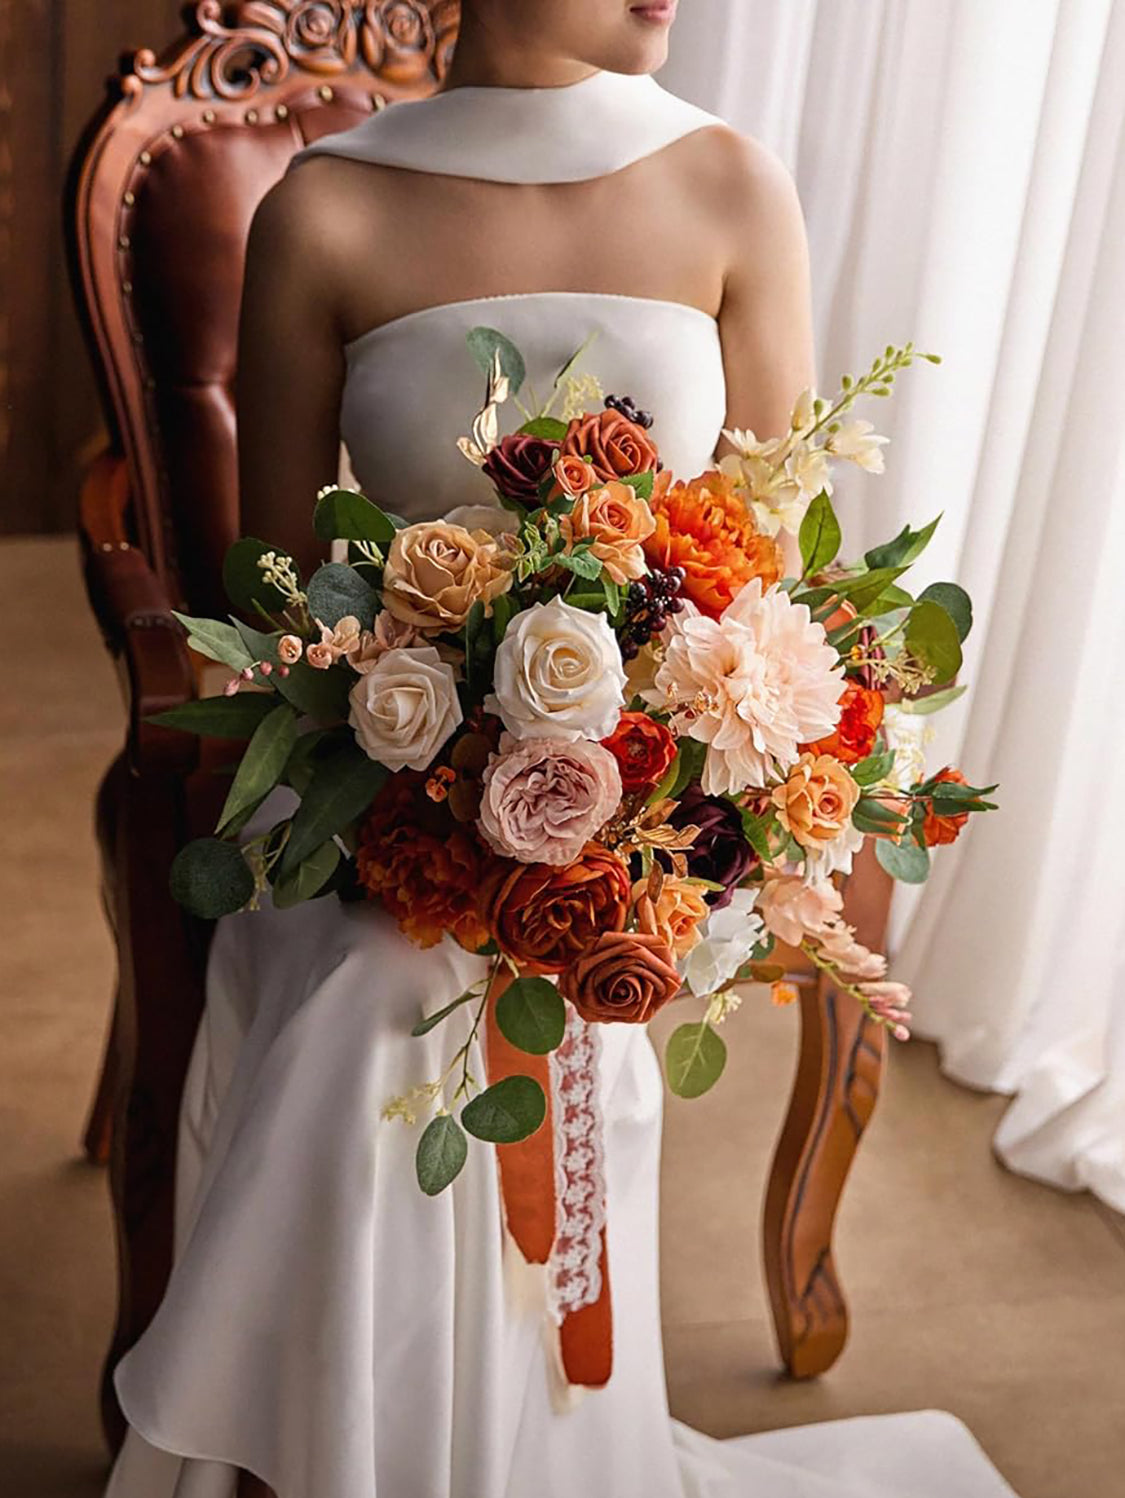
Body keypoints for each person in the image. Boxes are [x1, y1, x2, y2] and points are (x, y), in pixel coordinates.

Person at [103, 3, 1019, 1495]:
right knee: (382, 991)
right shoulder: (324, 206)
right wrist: (427, 762)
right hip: (374, 800)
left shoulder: (729, 182)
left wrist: (649, 805)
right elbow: (273, 598)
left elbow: (761, 581)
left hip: (651, 818)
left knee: (446, 995)